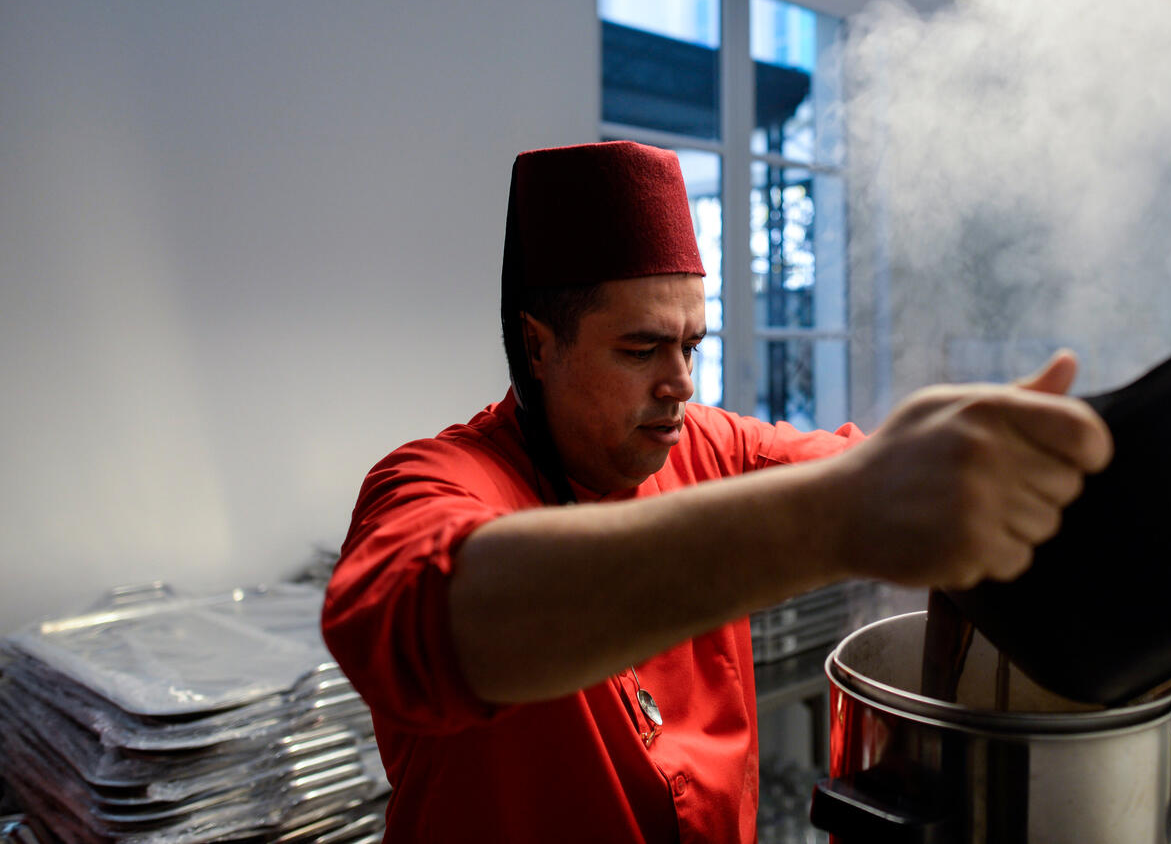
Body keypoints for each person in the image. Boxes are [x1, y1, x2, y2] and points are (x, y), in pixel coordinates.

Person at [321, 141, 1112, 843]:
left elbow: (880, 470)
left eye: (692, 345)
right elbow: (421, 623)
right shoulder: (435, 479)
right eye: (641, 349)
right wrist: (835, 517)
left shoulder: (706, 443)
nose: (680, 384)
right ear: (536, 345)